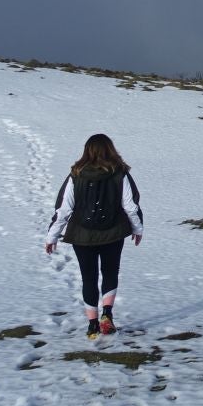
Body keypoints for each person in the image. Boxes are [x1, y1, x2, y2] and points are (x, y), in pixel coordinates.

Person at [45, 133, 143, 339]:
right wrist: (137, 229)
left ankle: (92, 325)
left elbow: (64, 209)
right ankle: (107, 313)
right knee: (110, 272)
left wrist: (52, 236)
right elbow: (130, 206)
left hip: (82, 235)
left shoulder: (76, 174)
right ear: (111, 149)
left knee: (88, 277)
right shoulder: (120, 173)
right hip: (113, 232)